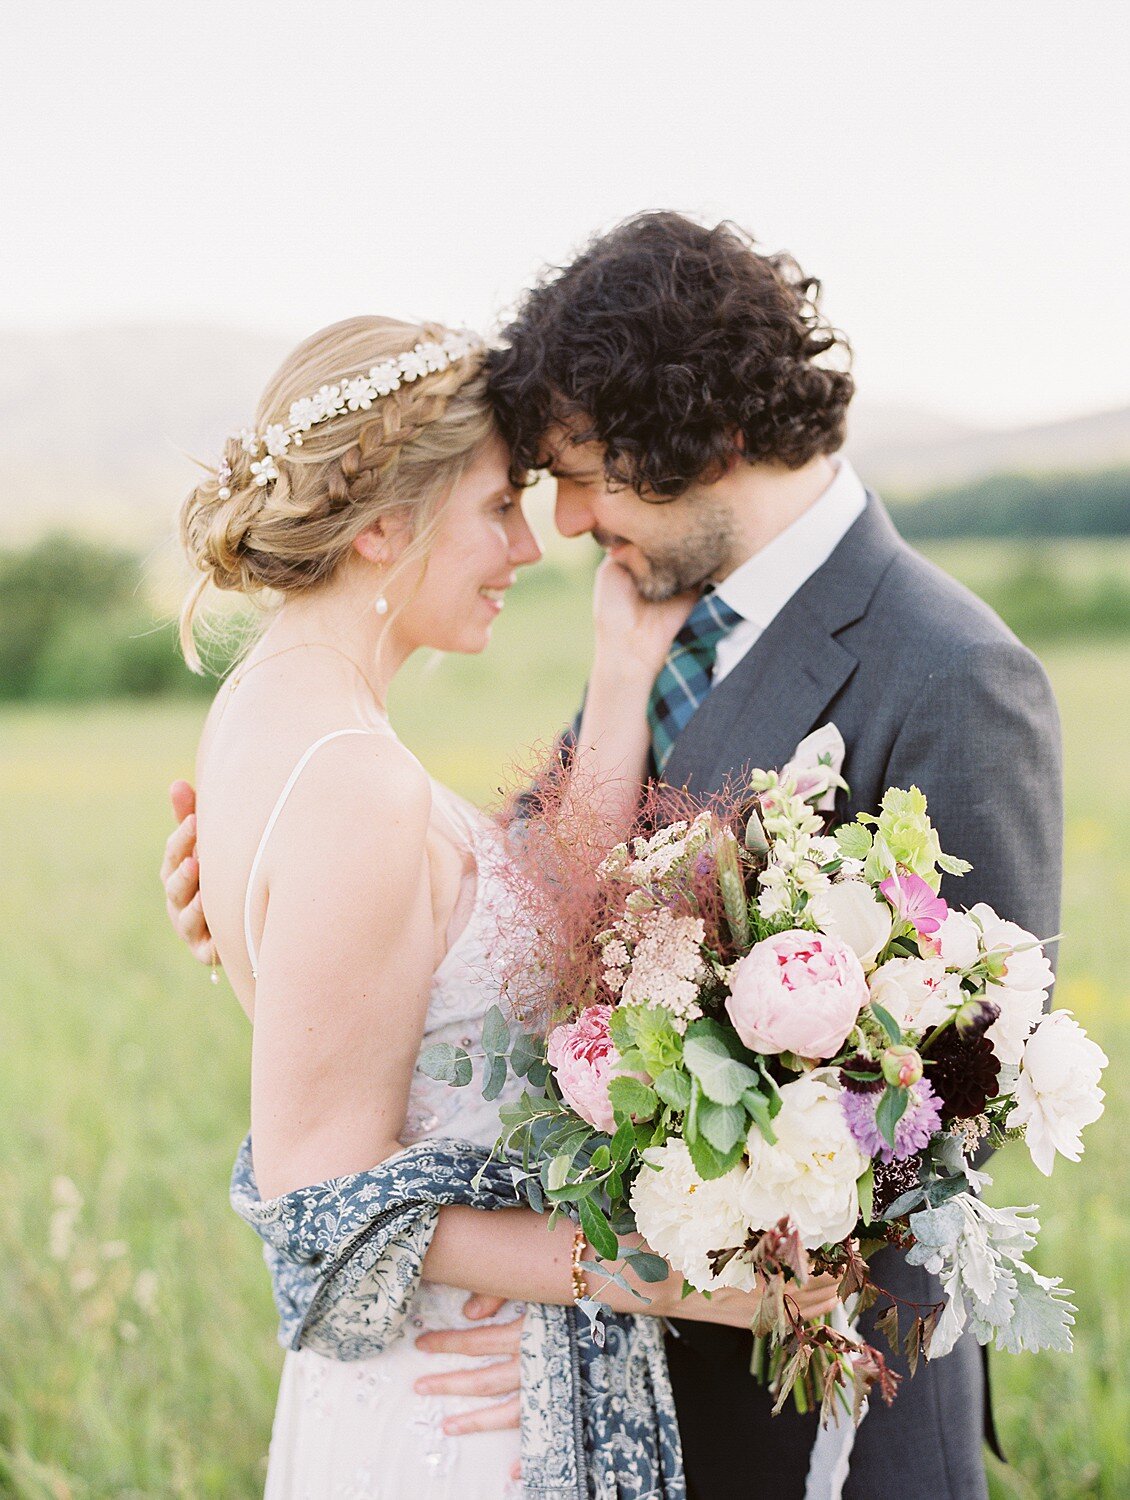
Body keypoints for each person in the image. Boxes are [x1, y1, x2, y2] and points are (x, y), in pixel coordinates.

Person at [171, 312, 838, 1499]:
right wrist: (696, 1284)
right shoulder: (353, 784)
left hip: (448, 1381)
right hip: (453, 1418)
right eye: (495, 507)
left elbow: (474, 970)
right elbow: (320, 1197)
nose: (527, 548)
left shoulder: (268, 710)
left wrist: (621, 676)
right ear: (383, 523)